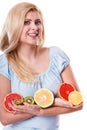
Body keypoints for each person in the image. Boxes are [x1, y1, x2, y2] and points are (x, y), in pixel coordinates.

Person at [0, 2, 83, 130]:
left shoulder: (57, 56)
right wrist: (51, 103)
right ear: (15, 26)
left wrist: (41, 111)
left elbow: (77, 103)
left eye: (38, 22)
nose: (34, 27)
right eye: (26, 22)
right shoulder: (5, 62)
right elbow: (5, 118)